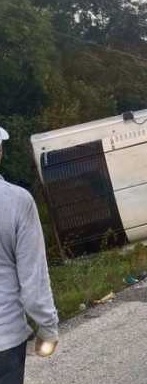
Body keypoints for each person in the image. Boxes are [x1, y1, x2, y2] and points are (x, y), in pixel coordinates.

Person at [0, 125, 59, 384]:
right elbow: (33, 280)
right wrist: (47, 328)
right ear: (0, 152)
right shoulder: (17, 201)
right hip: (5, 338)